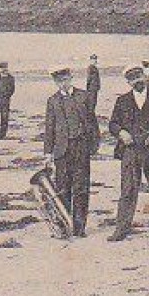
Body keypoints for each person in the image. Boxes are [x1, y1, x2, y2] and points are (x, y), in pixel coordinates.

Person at [107, 63, 149, 241]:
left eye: (138, 76)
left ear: (145, 77)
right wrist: (121, 133)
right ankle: (121, 229)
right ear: (128, 82)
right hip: (130, 151)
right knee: (128, 190)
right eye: (131, 79)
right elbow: (113, 124)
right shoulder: (121, 101)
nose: (136, 81)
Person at [42, 65, 100, 237]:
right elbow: (49, 127)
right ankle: (64, 225)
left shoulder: (84, 96)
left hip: (81, 148)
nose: (62, 84)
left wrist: (93, 145)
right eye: (58, 81)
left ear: (70, 78)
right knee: (62, 189)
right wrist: (48, 153)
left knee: (81, 188)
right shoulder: (52, 101)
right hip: (61, 151)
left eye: (65, 80)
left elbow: (92, 122)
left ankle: (80, 228)